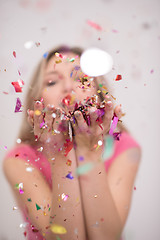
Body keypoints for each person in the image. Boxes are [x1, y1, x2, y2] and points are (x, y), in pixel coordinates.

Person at [3, 45, 141, 240]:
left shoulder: (124, 147)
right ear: (37, 101)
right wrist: (60, 153)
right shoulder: (18, 160)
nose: (68, 87)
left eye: (81, 78)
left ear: (98, 92)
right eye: (51, 82)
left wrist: (90, 152)